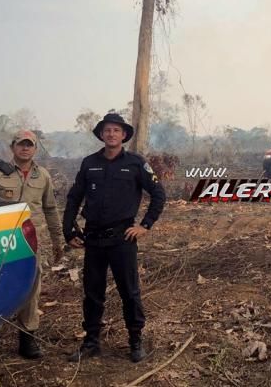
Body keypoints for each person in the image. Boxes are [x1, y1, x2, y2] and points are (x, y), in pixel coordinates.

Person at [63, 113, 166, 363]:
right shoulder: (89, 163)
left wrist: (145, 225)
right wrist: (69, 230)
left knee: (129, 292)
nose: (111, 134)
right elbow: (74, 198)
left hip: (123, 239)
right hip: (94, 239)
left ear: (124, 135)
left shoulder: (135, 163)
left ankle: (135, 341)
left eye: (116, 130)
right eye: (107, 130)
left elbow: (158, 194)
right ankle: (91, 343)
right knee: (92, 293)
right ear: (101, 134)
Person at [0, 130, 65, 360]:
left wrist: (59, 241)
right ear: (13, 147)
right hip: (1, 242)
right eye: (21, 144)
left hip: (30, 243)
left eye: (30, 145)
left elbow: (50, 209)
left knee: (31, 289)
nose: (25, 148)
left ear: (35, 149)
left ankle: (28, 340)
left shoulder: (43, 176)